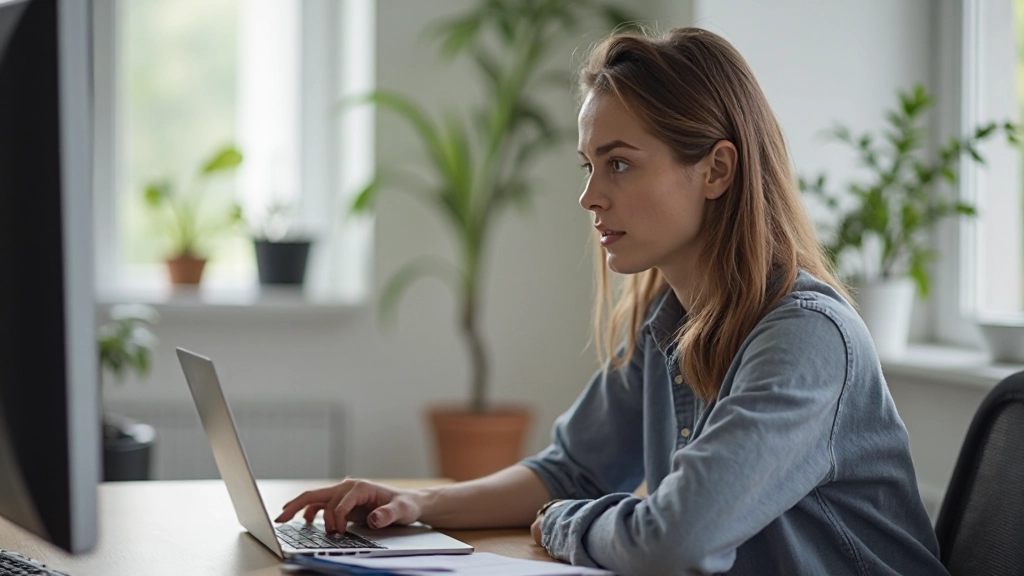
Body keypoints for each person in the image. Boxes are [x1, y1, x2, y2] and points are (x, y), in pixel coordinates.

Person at [275, 27, 947, 575]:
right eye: (589, 165)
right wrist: (416, 505)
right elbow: (572, 466)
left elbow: (674, 541)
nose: (590, 195)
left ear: (716, 170)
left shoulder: (806, 339)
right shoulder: (670, 325)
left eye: (619, 163)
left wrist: (567, 522)